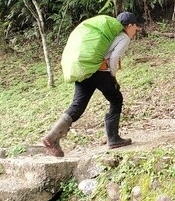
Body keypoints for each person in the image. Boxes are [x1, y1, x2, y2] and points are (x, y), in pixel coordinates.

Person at [42, 11, 144, 157]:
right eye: (135, 27)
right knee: (116, 99)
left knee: (78, 105)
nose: (136, 30)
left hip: (85, 69)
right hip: (100, 72)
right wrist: (113, 76)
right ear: (129, 25)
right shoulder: (123, 38)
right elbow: (114, 58)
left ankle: (52, 137)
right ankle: (113, 138)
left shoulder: (107, 34)